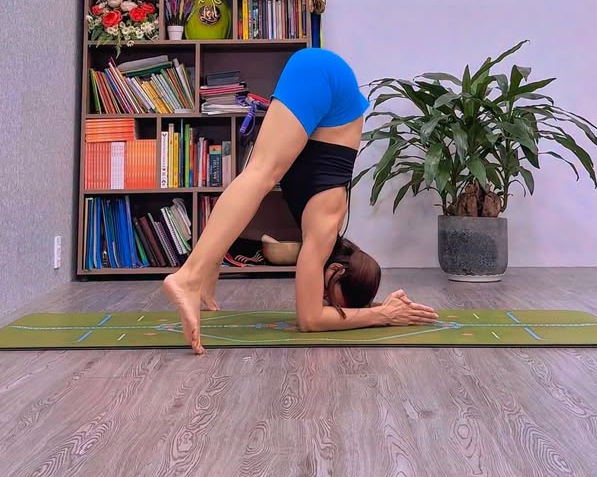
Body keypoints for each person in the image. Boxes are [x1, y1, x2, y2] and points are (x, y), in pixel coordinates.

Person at [163, 47, 439, 353]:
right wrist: (383, 315)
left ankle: (198, 270)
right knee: (261, 174)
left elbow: (317, 315)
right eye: (329, 298)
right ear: (337, 272)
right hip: (327, 80)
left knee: (260, 175)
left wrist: (215, 259)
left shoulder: (322, 231)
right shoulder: (324, 231)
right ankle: (189, 277)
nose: (321, 299)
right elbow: (310, 320)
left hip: (324, 78)